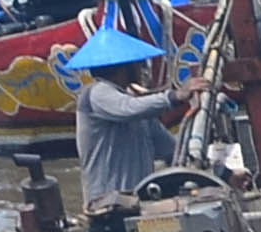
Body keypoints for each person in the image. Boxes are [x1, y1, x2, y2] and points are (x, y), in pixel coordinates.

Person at [63, 18, 180, 210]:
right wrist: (174, 96)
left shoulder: (135, 105)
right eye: (137, 64)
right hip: (107, 205)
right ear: (123, 67)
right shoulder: (97, 93)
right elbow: (127, 108)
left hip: (138, 202)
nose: (142, 69)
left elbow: (170, 149)